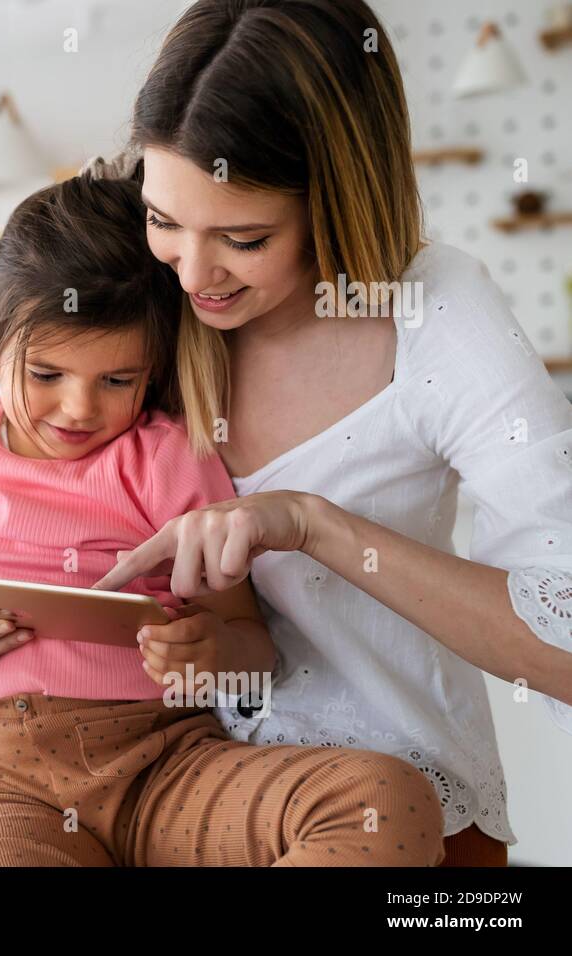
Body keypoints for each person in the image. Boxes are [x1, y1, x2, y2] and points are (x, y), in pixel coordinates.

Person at [74, 0, 572, 866]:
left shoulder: (432, 312)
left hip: (407, 830)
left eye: (243, 237)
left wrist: (313, 525)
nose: (193, 273)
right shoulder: (143, 288)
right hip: (167, 798)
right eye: (164, 220)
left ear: (337, 196)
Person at [0, 175, 445, 866]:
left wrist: (210, 650)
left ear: (152, 371)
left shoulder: (167, 460)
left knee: (386, 801)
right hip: (11, 786)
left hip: (167, 765)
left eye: (117, 381)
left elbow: (252, 644)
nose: (78, 409)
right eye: (45, 375)